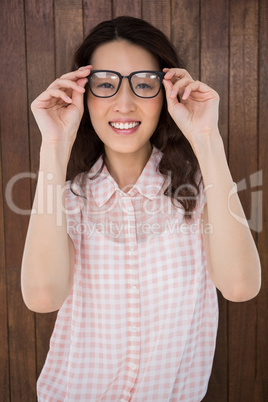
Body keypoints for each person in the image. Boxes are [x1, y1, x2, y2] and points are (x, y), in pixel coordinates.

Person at [21, 16, 261, 402]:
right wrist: (54, 143)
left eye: (145, 84)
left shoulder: (199, 194)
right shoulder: (67, 201)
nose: (125, 103)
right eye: (104, 84)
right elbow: (42, 297)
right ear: (82, 95)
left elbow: (240, 287)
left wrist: (206, 136)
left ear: (166, 94)